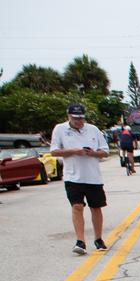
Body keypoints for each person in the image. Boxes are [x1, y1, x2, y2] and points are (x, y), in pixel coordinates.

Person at [48, 103, 111, 254]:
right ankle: (80, 241)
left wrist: (93, 153)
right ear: (68, 116)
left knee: (96, 207)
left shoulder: (93, 129)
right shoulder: (60, 129)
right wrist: (73, 151)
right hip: (72, 176)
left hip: (93, 177)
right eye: (75, 118)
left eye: (81, 118)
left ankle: (98, 238)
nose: (79, 122)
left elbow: (105, 151)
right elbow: (54, 151)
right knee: (77, 207)